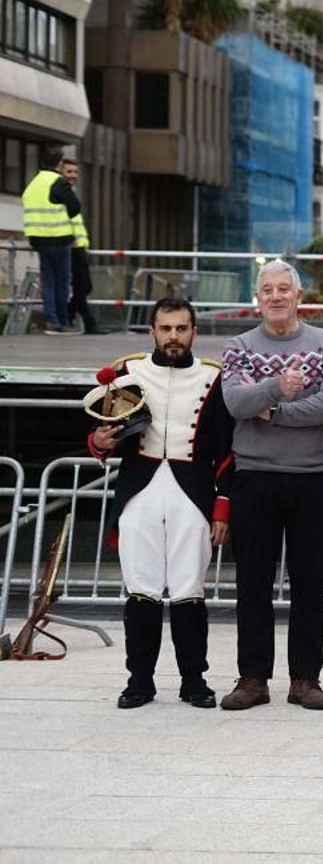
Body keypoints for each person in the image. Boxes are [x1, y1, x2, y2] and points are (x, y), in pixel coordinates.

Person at [84, 298, 235, 708]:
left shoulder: (214, 377)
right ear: (152, 331)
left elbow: (227, 449)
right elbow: (102, 432)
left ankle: (193, 681)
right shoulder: (128, 372)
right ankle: (139, 681)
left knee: (190, 590)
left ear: (193, 332)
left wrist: (223, 506)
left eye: (181, 328)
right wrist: (98, 444)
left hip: (194, 491)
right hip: (140, 488)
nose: (173, 336)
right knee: (141, 589)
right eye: (166, 328)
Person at [217, 259, 323, 711]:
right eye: (267, 290)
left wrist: (272, 410)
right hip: (253, 477)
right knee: (252, 582)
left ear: (298, 295)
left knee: (310, 583)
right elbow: (235, 401)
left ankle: (305, 679)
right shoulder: (239, 346)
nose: (275, 297)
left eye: (283, 289)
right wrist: (278, 385)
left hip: (311, 477)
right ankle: (252, 678)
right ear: (259, 298)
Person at [22, 146, 82, 335]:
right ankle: (61, 322)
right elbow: (75, 206)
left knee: (47, 281)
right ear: (58, 164)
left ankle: (50, 320)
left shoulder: (33, 183)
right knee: (62, 282)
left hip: (38, 240)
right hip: (58, 238)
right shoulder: (58, 181)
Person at [65, 164, 107, 334]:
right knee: (82, 287)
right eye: (69, 171)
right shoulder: (61, 192)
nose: (73, 175)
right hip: (71, 246)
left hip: (79, 246)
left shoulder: (70, 192)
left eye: (75, 172)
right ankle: (89, 324)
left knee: (85, 286)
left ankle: (69, 316)